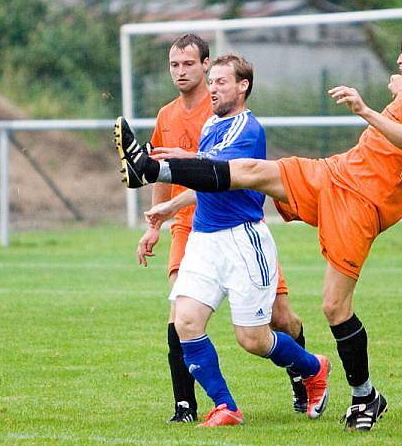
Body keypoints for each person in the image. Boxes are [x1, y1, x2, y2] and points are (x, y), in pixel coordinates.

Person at [115, 24, 402, 431]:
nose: (398, 59)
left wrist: (366, 110)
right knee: (256, 171)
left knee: (333, 308)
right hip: (334, 174)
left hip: (361, 203)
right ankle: (152, 169)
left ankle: (365, 395)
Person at [116, 53, 331, 427]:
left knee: (253, 339)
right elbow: (208, 183)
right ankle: (225, 406)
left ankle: (314, 368)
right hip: (204, 239)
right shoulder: (211, 127)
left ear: (243, 86)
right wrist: (170, 208)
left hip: (242, 241)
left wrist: (170, 164)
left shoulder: (247, 129)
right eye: (211, 82)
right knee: (185, 321)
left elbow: (219, 172)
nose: (212, 89)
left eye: (221, 82)